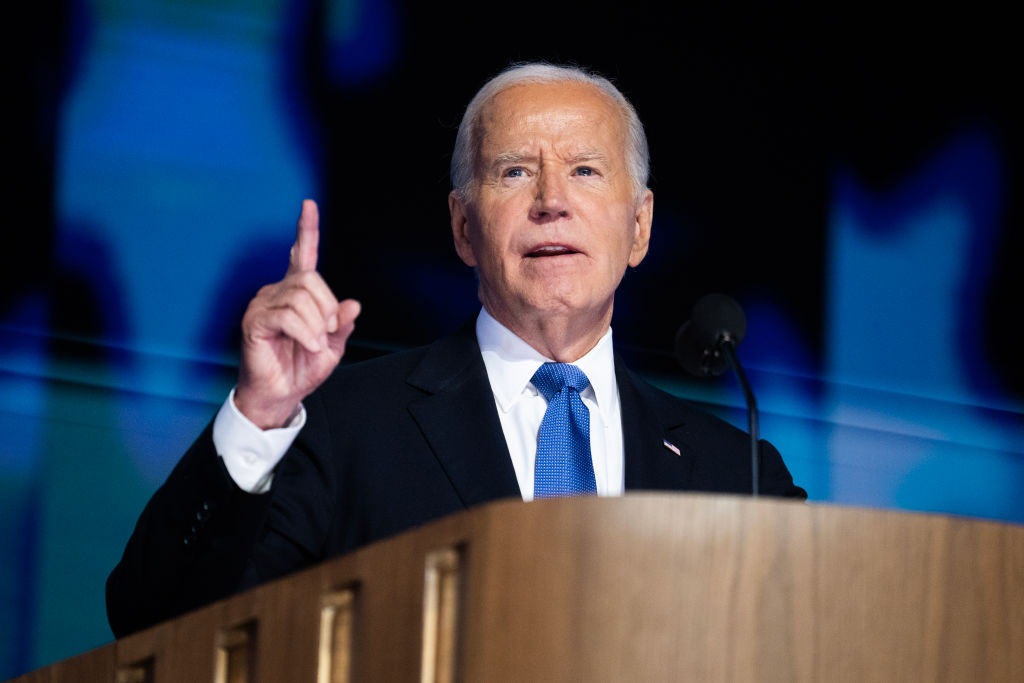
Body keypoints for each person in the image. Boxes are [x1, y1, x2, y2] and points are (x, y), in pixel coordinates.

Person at [106, 63, 805, 638]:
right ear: (464, 228)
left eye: (586, 171)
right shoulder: (345, 427)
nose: (551, 200)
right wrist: (258, 414)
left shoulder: (734, 471)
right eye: (513, 173)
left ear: (640, 227)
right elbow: (155, 620)